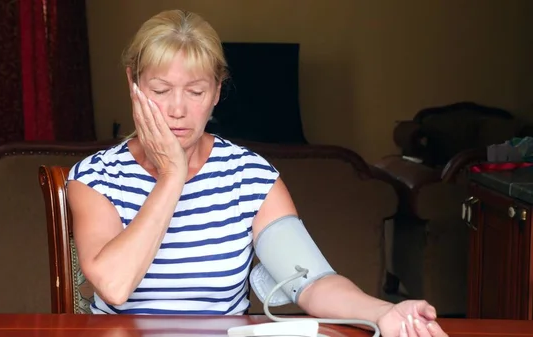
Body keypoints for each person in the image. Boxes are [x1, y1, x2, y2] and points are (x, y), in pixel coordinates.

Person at [66, 9, 448, 337]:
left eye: (196, 91)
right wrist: (171, 177)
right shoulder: (96, 177)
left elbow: (311, 282)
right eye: (161, 90)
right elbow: (114, 286)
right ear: (133, 84)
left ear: (217, 92)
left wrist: (383, 312)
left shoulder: (249, 176)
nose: (177, 110)